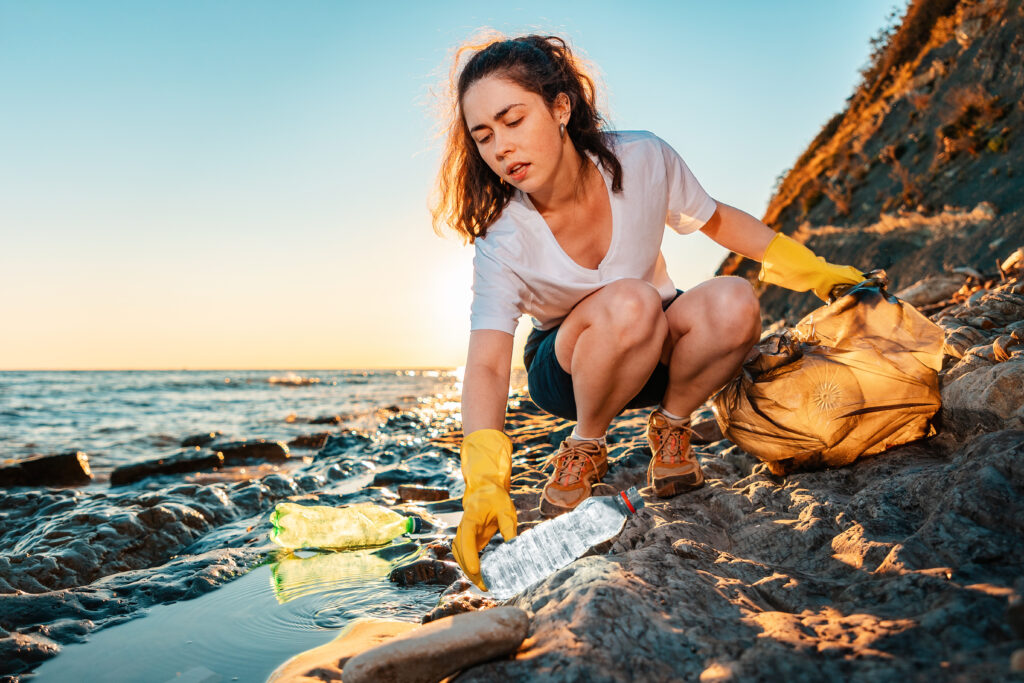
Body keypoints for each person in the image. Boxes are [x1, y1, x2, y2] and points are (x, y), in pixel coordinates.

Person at [430, 34, 865, 591]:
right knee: (631, 299)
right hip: (567, 368)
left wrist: (816, 272)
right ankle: (586, 446)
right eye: (483, 136)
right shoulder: (502, 236)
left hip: (660, 342)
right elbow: (488, 364)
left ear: (560, 107)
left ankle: (673, 426)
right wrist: (484, 482)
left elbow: (716, 220)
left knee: (733, 298)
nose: (500, 148)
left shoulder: (641, 158)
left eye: (513, 119)